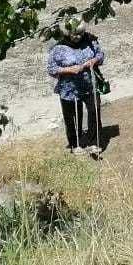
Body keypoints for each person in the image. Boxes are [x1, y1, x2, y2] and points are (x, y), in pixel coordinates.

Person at [46, 16, 105, 158]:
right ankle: (75, 144)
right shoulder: (58, 47)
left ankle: (93, 143)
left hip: (90, 84)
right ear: (67, 34)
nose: (78, 37)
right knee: (72, 117)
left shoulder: (90, 40)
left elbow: (101, 55)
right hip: (69, 88)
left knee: (94, 111)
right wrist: (69, 70)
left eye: (80, 33)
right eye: (74, 34)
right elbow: (51, 69)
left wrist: (94, 60)